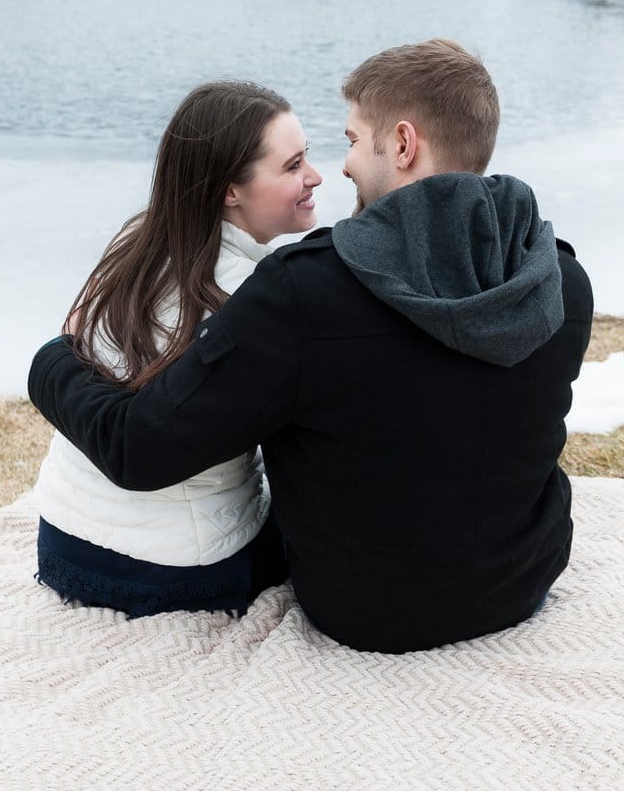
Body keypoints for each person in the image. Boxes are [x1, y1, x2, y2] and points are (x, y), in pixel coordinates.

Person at [30, 39, 593, 654]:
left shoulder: (303, 293)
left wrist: (54, 358)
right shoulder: (560, 280)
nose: (341, 167)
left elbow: (144, 449)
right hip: (523, 582)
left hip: (367, 613)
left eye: (353, 140)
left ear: (403, 145)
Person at [32, 80, 322, 617]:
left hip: (61, 541)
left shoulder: (136, 241)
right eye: (292, 166)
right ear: (230, 191)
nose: (315, 177)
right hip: (171, 572)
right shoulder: (255, 301)